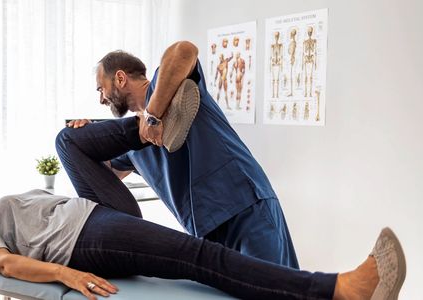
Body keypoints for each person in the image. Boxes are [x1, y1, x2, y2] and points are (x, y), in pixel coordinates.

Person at [59, 41, 298, 268]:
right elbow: (105, 176)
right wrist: (86, 139)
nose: (101, 98)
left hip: (244, 206)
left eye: (102, 88)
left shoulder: (169, 89)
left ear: (120, 78)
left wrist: (152, 115)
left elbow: (184, 50)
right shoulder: (132, 138)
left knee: (275, 289)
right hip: (204, 229)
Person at [0, 186, 406, 300]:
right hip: (85, 239)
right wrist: (67, 273)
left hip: (95, 220)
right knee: (203, 256)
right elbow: (4, 265)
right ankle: (339, 289)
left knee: (202, 256)